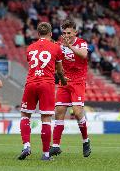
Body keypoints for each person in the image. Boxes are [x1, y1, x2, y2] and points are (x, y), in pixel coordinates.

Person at [17, 22, 67, 161]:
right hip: (47, 84)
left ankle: (26, 145)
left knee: (25, 115)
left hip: (31, 83)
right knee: (46, 118)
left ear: (38, 34)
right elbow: (59, 70)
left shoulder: (30, 48)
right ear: (51, 34)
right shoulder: (56, 48)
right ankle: (45, 154)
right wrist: (63, 80)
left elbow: (32, 62)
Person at [49, 19, 91, 158]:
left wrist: (69, 46)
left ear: (75, 32)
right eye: (64, 33)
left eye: (69, 33)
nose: (66, 35)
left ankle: (85, 141)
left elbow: (84, 55)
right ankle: (55, 146)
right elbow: (55, 61)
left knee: (78, 112)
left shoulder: (82, 43)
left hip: (78, 82)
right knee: (59, 111)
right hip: (64, 81)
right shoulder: (60, 45)